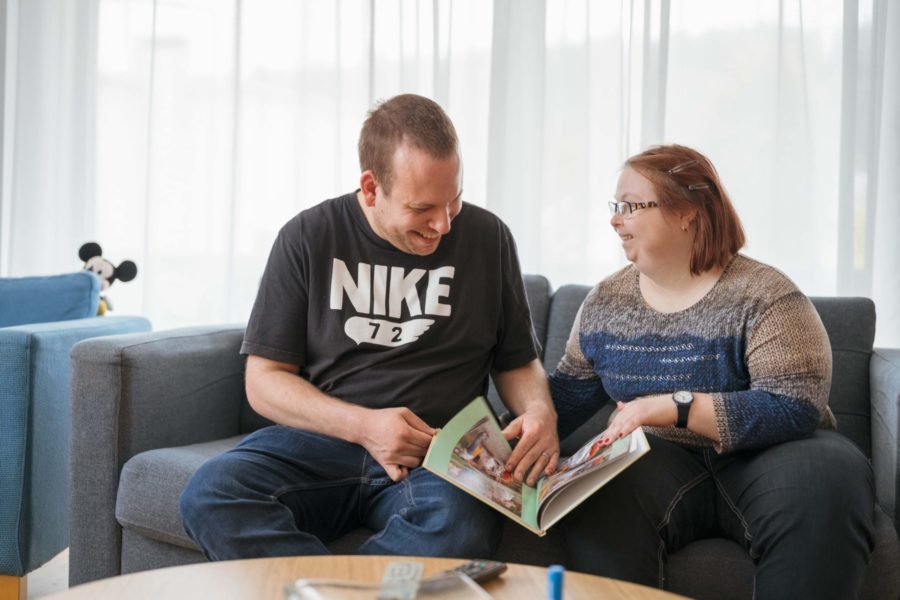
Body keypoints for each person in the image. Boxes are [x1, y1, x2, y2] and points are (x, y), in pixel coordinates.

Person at [179, 93, 559, 561]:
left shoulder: (489, 238)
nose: (442, 224)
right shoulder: (307, 236)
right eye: (422, 208)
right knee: (211, 494)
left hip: (432, 459)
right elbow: (264, 382)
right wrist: (364, 426)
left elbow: (518, 363)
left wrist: (541, 411)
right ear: (371, 188)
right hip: (320, 443)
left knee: (460, 526)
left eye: (453, 201)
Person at [549, 144, 874, 598]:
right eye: (614, 206)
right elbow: (565, 397)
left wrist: (674, 407)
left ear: (687, 212)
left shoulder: (766, 296)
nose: (614, 219)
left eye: (630, 206)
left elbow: (795, 407)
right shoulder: (604, 304)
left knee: (828, 476)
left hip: (773, 453)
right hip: (660, 463)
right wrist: (510, 432)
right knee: (599, 490)